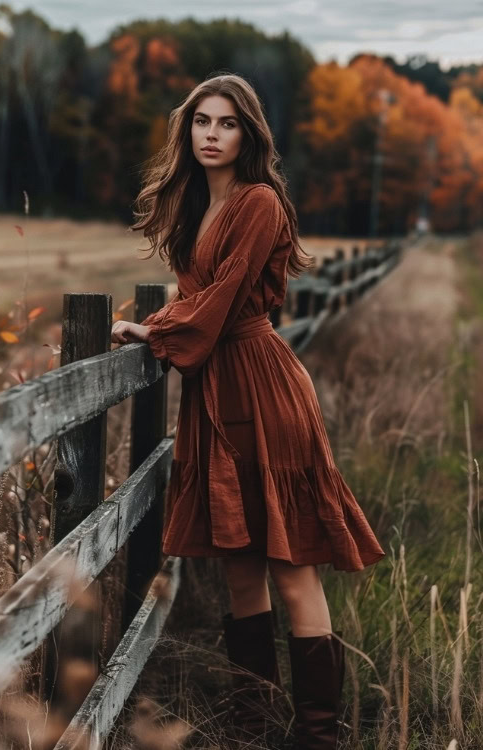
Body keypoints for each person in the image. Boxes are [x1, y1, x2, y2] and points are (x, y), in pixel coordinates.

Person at [111, 72, 385, 749]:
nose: (211, 134)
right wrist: (165, 322)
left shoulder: (258, 202)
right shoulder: (197, 204)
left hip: (262, 390)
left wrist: (158, 332)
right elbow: (202, 295)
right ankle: (252, 725)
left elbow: (224, 300)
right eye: (202, 121)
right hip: (215, 396)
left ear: (249, 133)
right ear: (189, 129)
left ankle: (320, 735)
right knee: (239, 571)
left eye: (226, 123)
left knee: (291, 567)